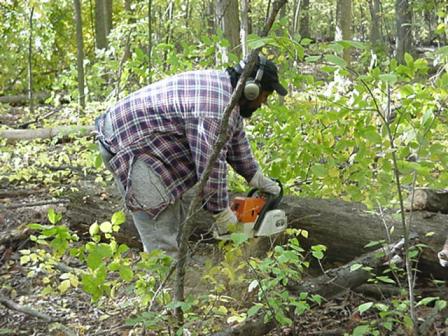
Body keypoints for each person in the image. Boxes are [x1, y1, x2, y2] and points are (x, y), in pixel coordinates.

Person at [95, 55, 287, 258]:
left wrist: (256, 177)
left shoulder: (227, 95)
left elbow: (234, 140)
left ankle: (174, 277)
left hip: (141, 141)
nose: (264, 102)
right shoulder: (215, 109)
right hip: (128, 148)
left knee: (178, 213)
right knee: (161, 235)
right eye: (265, 95)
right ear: (251, 89)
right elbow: (211, 166)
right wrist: (223, 215)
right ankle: (163, 285)